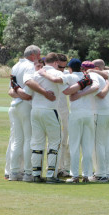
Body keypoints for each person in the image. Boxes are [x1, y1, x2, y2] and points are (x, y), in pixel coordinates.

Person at [24, 52, 69, 183]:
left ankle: (36, 174)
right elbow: (67, 90)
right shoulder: (58, 73)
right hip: (50, 110)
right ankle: (51, 174)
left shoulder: (35, 74)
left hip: (35, 110)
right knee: (55, 142)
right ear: (56, 63)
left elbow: (28, 93)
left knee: (37, 142)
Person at [70, 61, 109, 182]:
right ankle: (105, 172)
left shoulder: (92, 76)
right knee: (106, 144)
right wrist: (108, 85)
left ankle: (101, 174)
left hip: (100, 113)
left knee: (98, 144)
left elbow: (99, 94)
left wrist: (79, 94)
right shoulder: (101, 77)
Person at [8, 45, 42, 181]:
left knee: (18, 140)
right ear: (33, 55)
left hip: (15, 105)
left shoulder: (15, 66)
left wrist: (19, 94)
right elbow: (28, 92)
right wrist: (25, 95)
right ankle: (28, 173)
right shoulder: (30, 66)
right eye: (39, 55)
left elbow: (11, 90)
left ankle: (14, 172)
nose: (40, 58)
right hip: (26, 105)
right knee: (29, 139)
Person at [56, 54, 71, 177]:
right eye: (60, 67)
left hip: (64, 111)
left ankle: (65, 168)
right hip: (52, 110)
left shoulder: (66, 74)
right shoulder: (49, 74)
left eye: (64, 67)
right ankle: (56, 167)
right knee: (55, 141)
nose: (62, 69)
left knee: (65, 141)